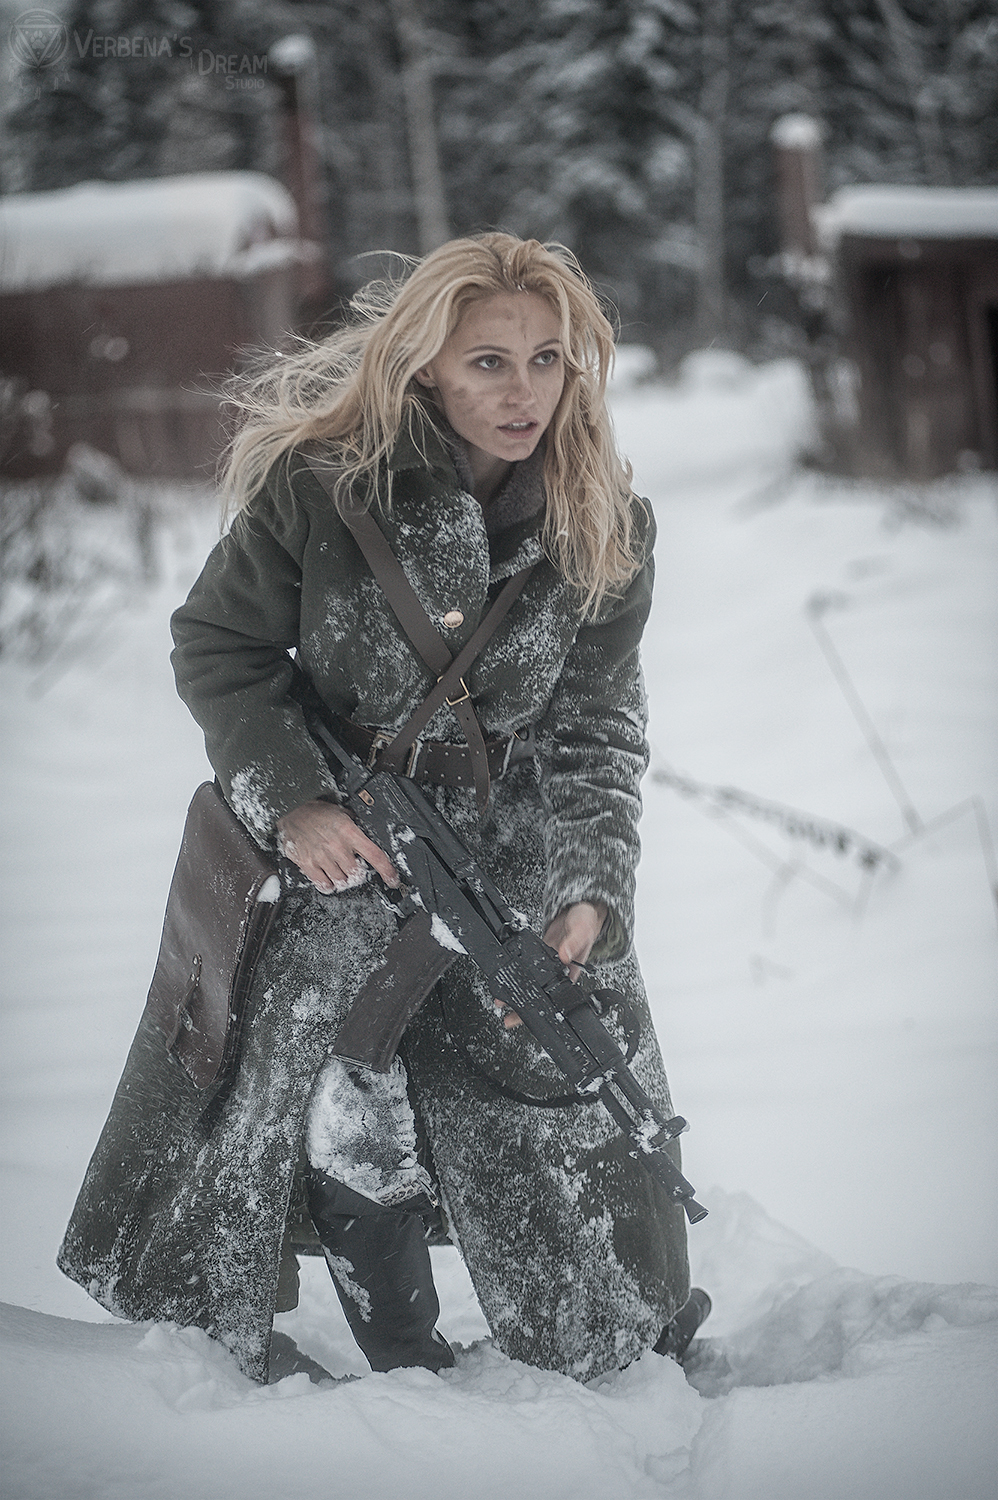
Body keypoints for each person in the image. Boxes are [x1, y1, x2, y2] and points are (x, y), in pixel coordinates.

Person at [58, 232, 704, 1384]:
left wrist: (591, 885)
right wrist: (296, 802)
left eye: (547, 360)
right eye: (488, 363)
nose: (522, 393)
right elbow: (219, 647)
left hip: (508, 864)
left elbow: (596, 723)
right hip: (340, 853)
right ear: (426, 370)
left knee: (564, 1087)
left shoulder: (604, 519)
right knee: (336, 1094)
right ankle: (399, 1361)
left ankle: (610, 1335)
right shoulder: (326, 487)